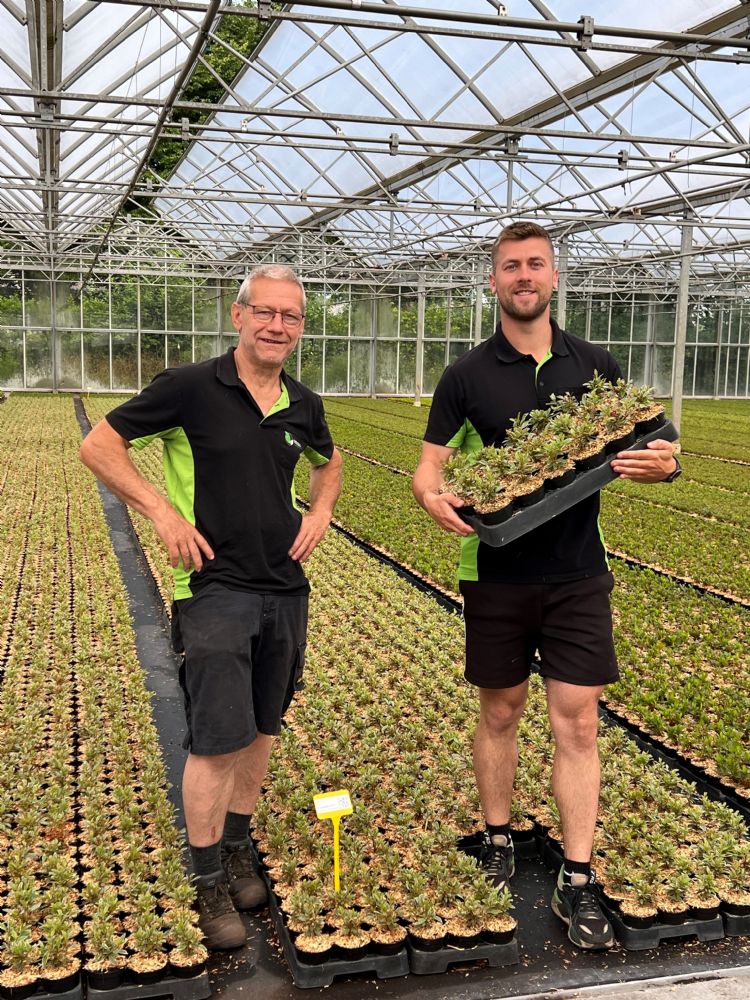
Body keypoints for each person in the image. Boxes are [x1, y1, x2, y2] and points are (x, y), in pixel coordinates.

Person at [412, 222, 680, 951]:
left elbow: (654, 445)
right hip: (496, 573)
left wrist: (666, 466)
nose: (523, 276)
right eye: (511, 266)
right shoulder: (466, 375)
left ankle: (578, 875)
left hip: (577, 574)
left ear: (555, 277)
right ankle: (498, 837)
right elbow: (429, 465)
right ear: (493, 282)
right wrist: (430, 495)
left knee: (579, 722)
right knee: (500, 711)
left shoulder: (594, 366)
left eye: (536, 264)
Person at [80, 264, 343, 950]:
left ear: (300, 326)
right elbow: (99, 445)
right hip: (212, 587)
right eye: (266, 312)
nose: (277, 325)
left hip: (284, 587)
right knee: (217, 737)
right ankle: (206, 879)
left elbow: (329, 462)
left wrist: (320, 511)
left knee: (260, 728)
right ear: (239, 314)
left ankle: (235, 847)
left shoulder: (304, 402)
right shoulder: (190, 387)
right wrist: (161, 512)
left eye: (290, 316)